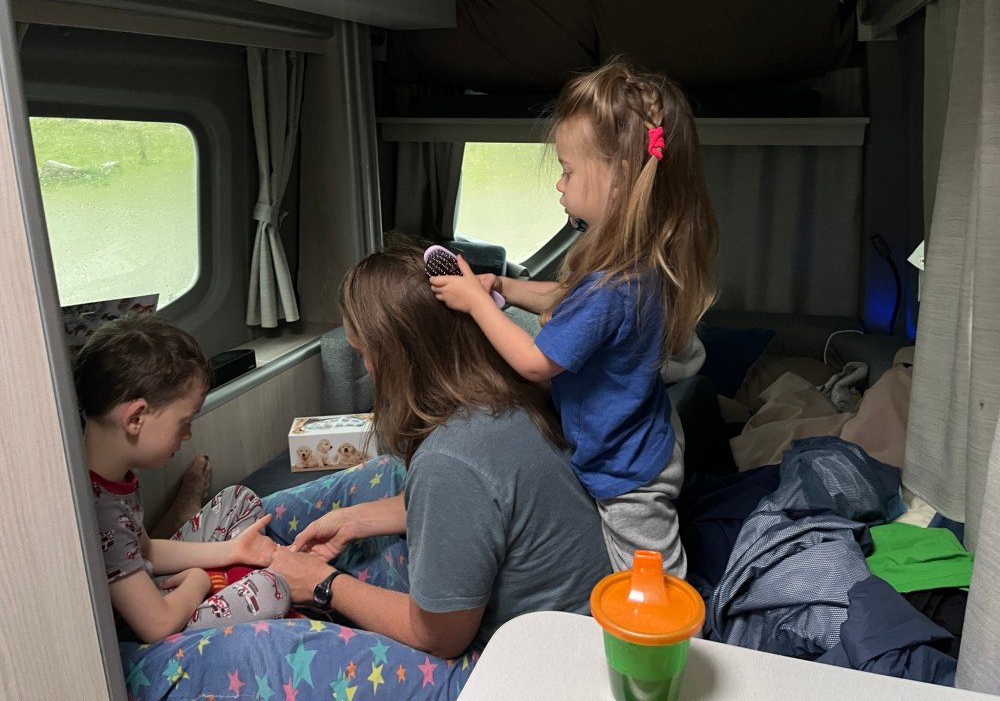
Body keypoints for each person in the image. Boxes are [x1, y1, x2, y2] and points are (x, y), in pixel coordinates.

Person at [429, 58, 719, 578]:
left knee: (654, 581)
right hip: (647, 433)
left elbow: (536, 362)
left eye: (567, 170)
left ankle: (693, 626)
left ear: (619, 177)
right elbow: (568, 298)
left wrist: (476, 303)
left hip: (627, 471)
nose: (559, 185)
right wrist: (506, 288)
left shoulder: (613, 284)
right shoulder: (632, 262)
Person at [267, 233, 611, 667]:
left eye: (364, 354)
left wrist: (323, 584)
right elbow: (481, 508)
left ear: (396, 358)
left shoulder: (450, 460)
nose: (368, 370)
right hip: (580, 621)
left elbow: (438, 637)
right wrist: (353, 520)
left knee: (270, 653)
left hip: (538, 663)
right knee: (384, 474)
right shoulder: (509, 395)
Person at [74, 313, 292, 643]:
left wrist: (234, 550)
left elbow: (146, 550)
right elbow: (157, 625)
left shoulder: (112, 477)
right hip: (144, 634)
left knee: (239, 498)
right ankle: (231, 584)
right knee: (269, 591)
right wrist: (198, 582)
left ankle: (233, 573)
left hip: (151, 589)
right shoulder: (100, 510)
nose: (187, 434)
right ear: (135, 418)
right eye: (184, 422)